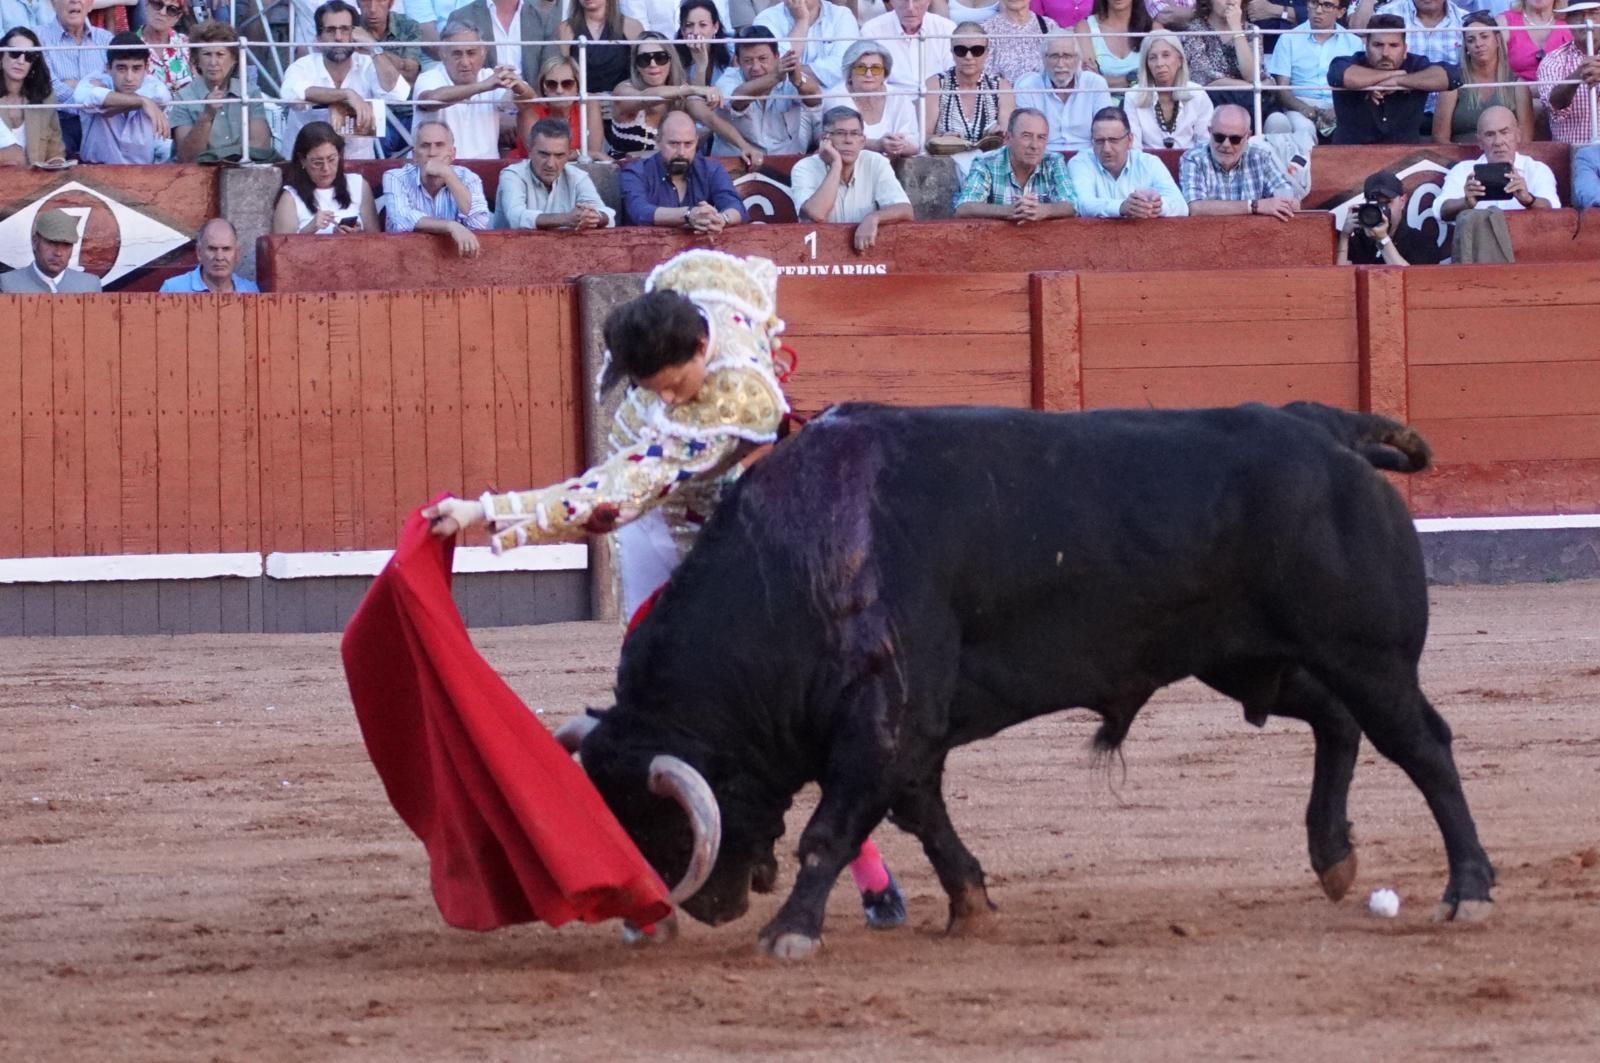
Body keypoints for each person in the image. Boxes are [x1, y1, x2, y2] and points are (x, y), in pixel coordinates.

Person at [423, 249, 910, 932]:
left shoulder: (734, 399)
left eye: (675, 385)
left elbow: (621, 488)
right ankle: (645, 887)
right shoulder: (684, 287)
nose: (664, 399)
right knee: (650, 694)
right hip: (657, 523)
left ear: (704, 346)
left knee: (791, 705)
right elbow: (749, 274)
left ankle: (867, 868)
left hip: (727, 523)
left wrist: (489, 511)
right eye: (650, 386)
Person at [278, 0, 412, 161]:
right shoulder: (304, 66)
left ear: (355, 34)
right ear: (318, 39)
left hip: (356, 165)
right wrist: (345, 95)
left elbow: (398, 93)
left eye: (345, 30)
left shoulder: (368, 64)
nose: (339, 37)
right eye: (330, 30)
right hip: (305, 166)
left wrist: (373, 46)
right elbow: (290, 93)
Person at [605, 33, 761, 164]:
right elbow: (646, 97)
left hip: (671, 173)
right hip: (627, 173)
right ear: (636, 66)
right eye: (644, 59)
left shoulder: (681, 94)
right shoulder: (624, 89)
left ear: (671, 60)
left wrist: (744, 146)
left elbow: (710, 119)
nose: (653, 64)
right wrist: (692, 89)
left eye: (660, 57)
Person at [790, 105, 913, 250]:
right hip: (819, 254)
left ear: (862, 141)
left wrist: (873, 218)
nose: (848, 140)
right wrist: (836, 165)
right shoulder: (804, 167)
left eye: (855, 134)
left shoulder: (875, 162)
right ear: (825, 139)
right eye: (840, 133)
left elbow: (905, 210)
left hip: (864, 252)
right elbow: (817, 214)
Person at [1326, 14, 1460, 144]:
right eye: (1378, 45)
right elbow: (1339, 75)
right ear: (1366, 47)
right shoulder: (1347, 62)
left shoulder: (1416, 64)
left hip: (1406, 157)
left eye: (1394, 45)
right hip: (1349, 156)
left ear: (1405, 49)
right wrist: (1392, 75)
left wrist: (1398, 81)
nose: (1385, 53)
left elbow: (1451, 77)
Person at [413, 19, 537, 160]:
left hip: (485, 170)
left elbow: (526, 101)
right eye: (457, 54)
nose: (465, 62)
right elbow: (430, 100)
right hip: (440, 170)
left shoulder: (489, 77)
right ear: (442, 54)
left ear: (483, 52)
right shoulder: (429, 77)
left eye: (471, 53)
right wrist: (482, 86)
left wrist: (518, 86)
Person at [170, 19, 278, 163]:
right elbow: (187, 157)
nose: (213, 62)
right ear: (196, 60)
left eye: (220, 54)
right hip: (200, 177)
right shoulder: (183, 97)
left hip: (244, 174)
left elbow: (261, 147)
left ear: (234, 59)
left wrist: (213, 156)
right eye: (207, 54)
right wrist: (207, 116)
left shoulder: (250, 92)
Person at [619, 107, 750, 226]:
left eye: (688, 144)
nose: (681, 152)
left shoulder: (711, 169)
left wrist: (721, 219)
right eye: (674, 144)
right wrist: (688, 215)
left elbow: (736, 206)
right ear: (658, 140)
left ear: (696, 141)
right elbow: (639, 212)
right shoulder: (636, 172)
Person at [382, 119, 494, 257]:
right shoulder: (395, 177)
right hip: (405, 259)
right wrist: (451, 226)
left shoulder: (468, 178)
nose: (432, 153)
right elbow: (401, 220)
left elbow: (479, 222)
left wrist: (448, 175)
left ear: (452, 153)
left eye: (439, 145)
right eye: (425, 145)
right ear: (414, 155)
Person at [1434, 103, 1558, 222]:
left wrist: (1529, 200)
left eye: (1505, 132)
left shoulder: (1537, 170)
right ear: (1480, 142)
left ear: (1518, 135)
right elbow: (1440, 211)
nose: (1498, 141)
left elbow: (1554, 211)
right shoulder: (1463, 170)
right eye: (1490, 135)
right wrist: (1465, 203)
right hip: (1478, 243)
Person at [953, 106, 1077, 219]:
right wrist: (1011, 210)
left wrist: (1043, 210)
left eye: (1041, 137)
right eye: (1026, 136)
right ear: (1008, 138)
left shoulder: (1053, 161)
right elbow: (963, 208)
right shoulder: (985, 162)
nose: (1034, 145)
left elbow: (1072, 205)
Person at [1264, 0, 1360, 143]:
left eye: (1327, 5)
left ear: (1340, 12)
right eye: (1314, 3)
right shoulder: (1288, 39)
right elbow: (1282, 91)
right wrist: (1306, 110)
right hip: (1300, 106)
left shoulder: (1354, 42)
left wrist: (1338, 109)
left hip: (1340, 104)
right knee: (1304, 129)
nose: (1319, 10)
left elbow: (1358, 89)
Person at [1179, 103, 1299, 217]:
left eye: (1235, 139)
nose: (1226, 144)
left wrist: (1289, 202)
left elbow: (1287, 195)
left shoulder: (1260, 157)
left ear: (1247, 137)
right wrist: (1254, 206)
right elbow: (1195, 208)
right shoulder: (1194, 158)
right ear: (1210, 132)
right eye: (1219, 137)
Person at [496, 116, 617, 229]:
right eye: (544, 154)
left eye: (559, 155)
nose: (550, 164)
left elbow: (607, 215)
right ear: (530, 150)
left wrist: (594, 217)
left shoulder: (578, 177)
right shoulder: (512, 175)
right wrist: (566, 219)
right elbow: (516, 218)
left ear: (569, 155)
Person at [1067, 104, 1188, 216]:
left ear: (1130, 140)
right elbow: (1082, 204)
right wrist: (1121, 207)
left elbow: (1181, 206)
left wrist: (1157, 206)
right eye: (1099, 141)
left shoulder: (1149, 163)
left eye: (1114, 140)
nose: (1106, 149)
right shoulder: (1080, 163)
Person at [721, 25, 823, 156]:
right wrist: (774, 77)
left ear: (777, 56)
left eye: (762, 59)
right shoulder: (729, 78)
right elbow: (738, 99)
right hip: (738, 161)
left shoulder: (788, 74)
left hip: (785, 160)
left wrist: (798, 82)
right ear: (738, 61)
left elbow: (814, 96)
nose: (756, 67)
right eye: (748, 61)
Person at [1433, 12, 1533, 144]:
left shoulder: (1518, 86)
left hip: (1506, 159)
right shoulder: (1453, 83)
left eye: (1484, 37)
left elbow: (1525, 140)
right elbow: (1440, 138)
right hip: (1460, 160)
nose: (1478, 44)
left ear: (1497, 40)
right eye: (1471, 40)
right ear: (1466, 47)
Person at [73, 31, 172, 164]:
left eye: (136, 69)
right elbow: (82, 96)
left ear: (146, 68)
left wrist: (116, 102)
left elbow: (163, 96)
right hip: (96, 175)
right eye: (121, 68)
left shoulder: (153, 86)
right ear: (108, 68)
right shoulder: (95, 79)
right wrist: (142, 101)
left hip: (144, 176)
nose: (129, 77)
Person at [271, 120, 382, 234]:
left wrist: (357, 234)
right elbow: (281, 248)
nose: (326, 168)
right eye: (317, 162)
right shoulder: (290, 197)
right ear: (302, 160)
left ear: (339, 155)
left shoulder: (358, 185)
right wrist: (310, 229)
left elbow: (376, 239)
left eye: (332, 159)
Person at [820, 39, 922, 159]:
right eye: (861, 68)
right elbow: (837, 141)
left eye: (876, 69)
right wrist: (878, 145)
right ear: (849, 72)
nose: (868, 74)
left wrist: (898, 145)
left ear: (885, 73)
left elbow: (914, 144)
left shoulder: (899, 97)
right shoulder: (835, 97)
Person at [38, 0, 114, 156]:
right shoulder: (38, 38)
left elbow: (114, 85)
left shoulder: (106, 39)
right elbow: (49, 88)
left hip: (101, 120)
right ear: (53, 3)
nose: (75, 1)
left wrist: (74, 85)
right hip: (58, 120)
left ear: (91, 4)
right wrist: (94, 93)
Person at [1012, 30, 1110, 150]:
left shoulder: (1095, 83)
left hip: (1087, 155)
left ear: (1077, 59)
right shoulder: (1027, 86)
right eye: (1054, 56)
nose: (1060, 64)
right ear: (1044, 59)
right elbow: (1025, 134)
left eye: (1067, 56)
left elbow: (1106, 129)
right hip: (1042, 155)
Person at [924, 20, 1013, 151]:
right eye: (961, 50)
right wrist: (941, 138)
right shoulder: (935, 85)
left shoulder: (1001, 87)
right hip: (945, 163)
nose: (968, 57)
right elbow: (923, 136)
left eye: (977, 50)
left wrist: (998, 135)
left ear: (987, 53)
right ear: (952, 53)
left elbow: (1008, 138)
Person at [1126, 28, 1214, 149]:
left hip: (1190, 163)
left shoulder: (1197, 93)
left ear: (1180, 60)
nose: (1160, 63)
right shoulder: (1133, 95)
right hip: (1148, 164)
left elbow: (1205, 143)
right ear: (1146, 65)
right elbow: (1134, 147)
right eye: (1152, 58)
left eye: (1166, 55)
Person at [1336, 169, 1438, 264]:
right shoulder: (1359, 241)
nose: (1381, 208)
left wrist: (1383, 239)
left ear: (1402, 201)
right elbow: (1340, 278)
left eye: (1386, 202)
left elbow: (1410, 280)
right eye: (1374, 203)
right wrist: (1344, 236)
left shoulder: (1421, 242)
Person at [754, 0, 861, 90]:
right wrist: (801, 21)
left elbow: (843, 65)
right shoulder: (766, 18)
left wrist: (792, 74)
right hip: (781, 100)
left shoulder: (842, 15)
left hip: (830, 97)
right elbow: (770, 68)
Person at [862, 0, 958, 99]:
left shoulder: (946, 29)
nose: (910, 8)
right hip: (891, 105)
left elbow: (953, 78)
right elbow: (873, 83)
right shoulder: (872, 31)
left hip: (937, 103)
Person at [0, 27, 68, 166]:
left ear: (34, 64)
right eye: (15, 53)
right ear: (1, 57)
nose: (21, 61)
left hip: (36, 183)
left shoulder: (45, 99)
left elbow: (55, 152)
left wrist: (56, 166)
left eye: (29, 56)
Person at [1537, 0, 1600, 145]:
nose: (1585, 20)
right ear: (1568, 20)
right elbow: (1555, 106)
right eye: (1577, 14)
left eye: (1593, 13)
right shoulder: (1553, 61)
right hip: (1571, 153)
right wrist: (1579, 74)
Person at [449, 0, 560, 80]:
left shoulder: (544, 18)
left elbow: (549, 72)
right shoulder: (461, 16)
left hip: (530, 105)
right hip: (481, 105)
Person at [1183, 0, 1259, 113]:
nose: (1230, 2)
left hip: (1249, 104)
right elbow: (1204, 78)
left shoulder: (1252, 31)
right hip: (1212, 103)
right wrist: (1249, 86)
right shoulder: (1195, 30)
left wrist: (1237, 29)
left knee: (1277, 120)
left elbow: (1253, 76)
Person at [0, 209, 101, 293]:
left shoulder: (90, 286)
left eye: (66, 245)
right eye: (52, 243)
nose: (58, 253)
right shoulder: (7, 284)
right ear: (35, 242)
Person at [561, 0, 643, 101]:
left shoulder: (632, 26)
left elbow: (641, 73)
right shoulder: (565, 29)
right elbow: (560, 74)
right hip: (581, 104)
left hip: (622, 105)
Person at [1071, 0, 1151, 94]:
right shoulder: (1085, 28)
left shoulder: (1151, 28)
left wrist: (1105, 80)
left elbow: (1157, 75)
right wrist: (1133, 79)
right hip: (1101, 104)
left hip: (1143, 103)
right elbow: (1090, 80)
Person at [159, 218, 259, 293]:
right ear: (199, 253)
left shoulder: (251, 291)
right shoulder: (173, 290)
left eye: (226, 249)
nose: (219, 257)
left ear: (237, 254)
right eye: (212, 249)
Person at [982, 0, 1058, 84]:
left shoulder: (1049, 26)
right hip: (1005, 95)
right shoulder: (987, 30)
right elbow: (985, 77)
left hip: (1044, 95)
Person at [1497, 0, 1569, 85]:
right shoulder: (1504, 22)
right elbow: (1495, 72)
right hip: (1516, 95)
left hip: (1562, 95)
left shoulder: (1570, 23)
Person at [138, 0, 193, 93]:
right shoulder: (129, 45)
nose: (162, 12)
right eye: (157, 4)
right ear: (146, 5)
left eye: (172, 10)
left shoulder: (187, 44)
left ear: (178, 17)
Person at [678, 0, 735, 88]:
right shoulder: (674, 56)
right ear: (682, 30)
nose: (696, 32)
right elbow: (694, 98)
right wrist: (700, 65)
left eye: (703, 25)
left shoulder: (732, 51)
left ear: (715, 27)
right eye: (689, 25)